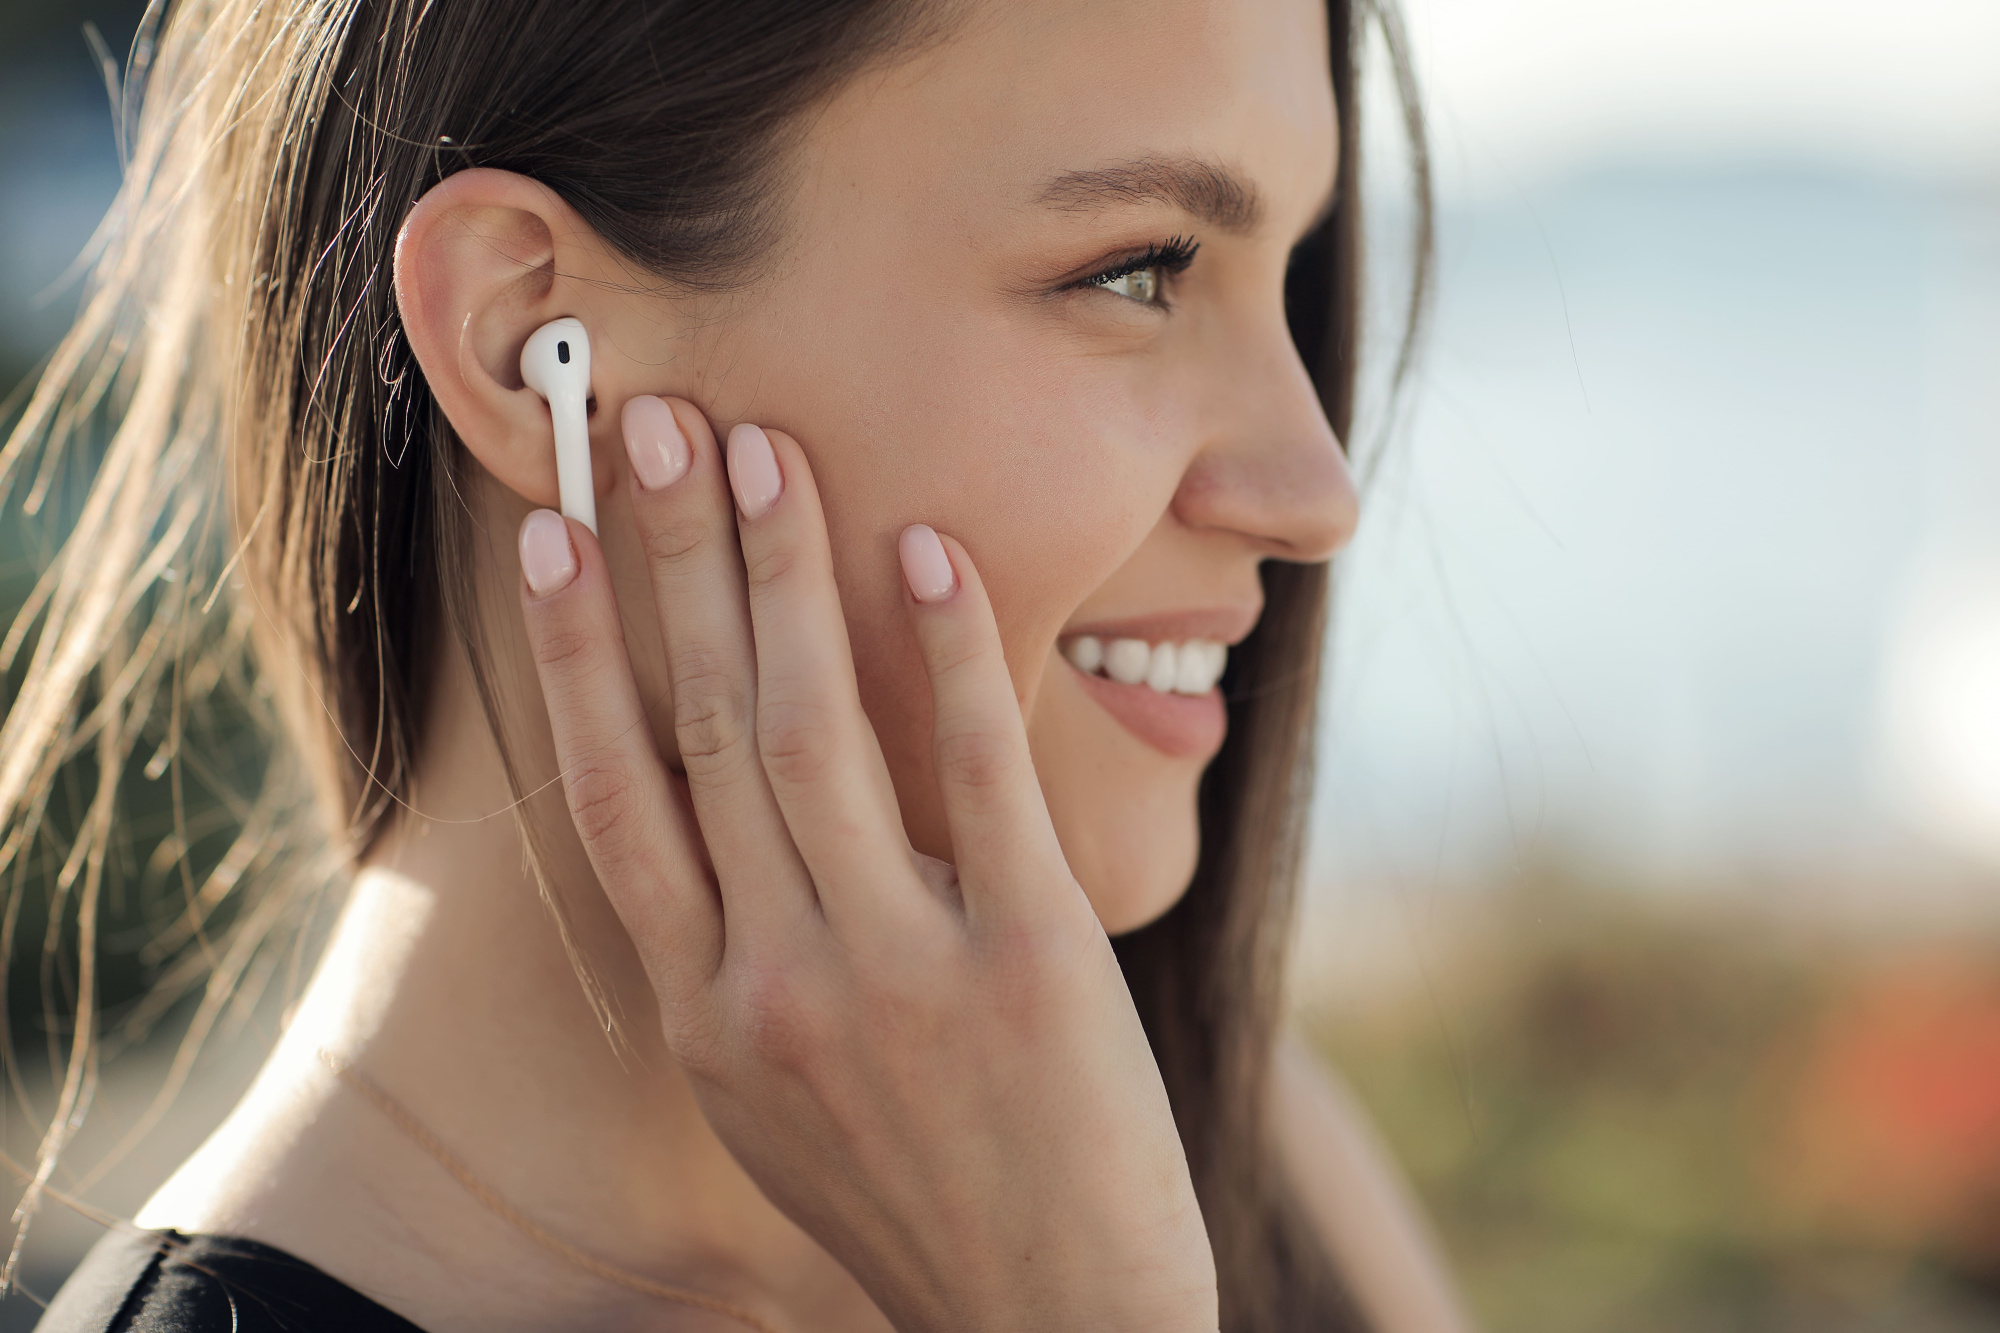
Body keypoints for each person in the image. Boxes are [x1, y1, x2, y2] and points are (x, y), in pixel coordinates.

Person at [3, 0, 1471, 1327]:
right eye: (1140, 271)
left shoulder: (1218, 1152)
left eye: (1290, 275)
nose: (1315, 493)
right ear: (534, 344)